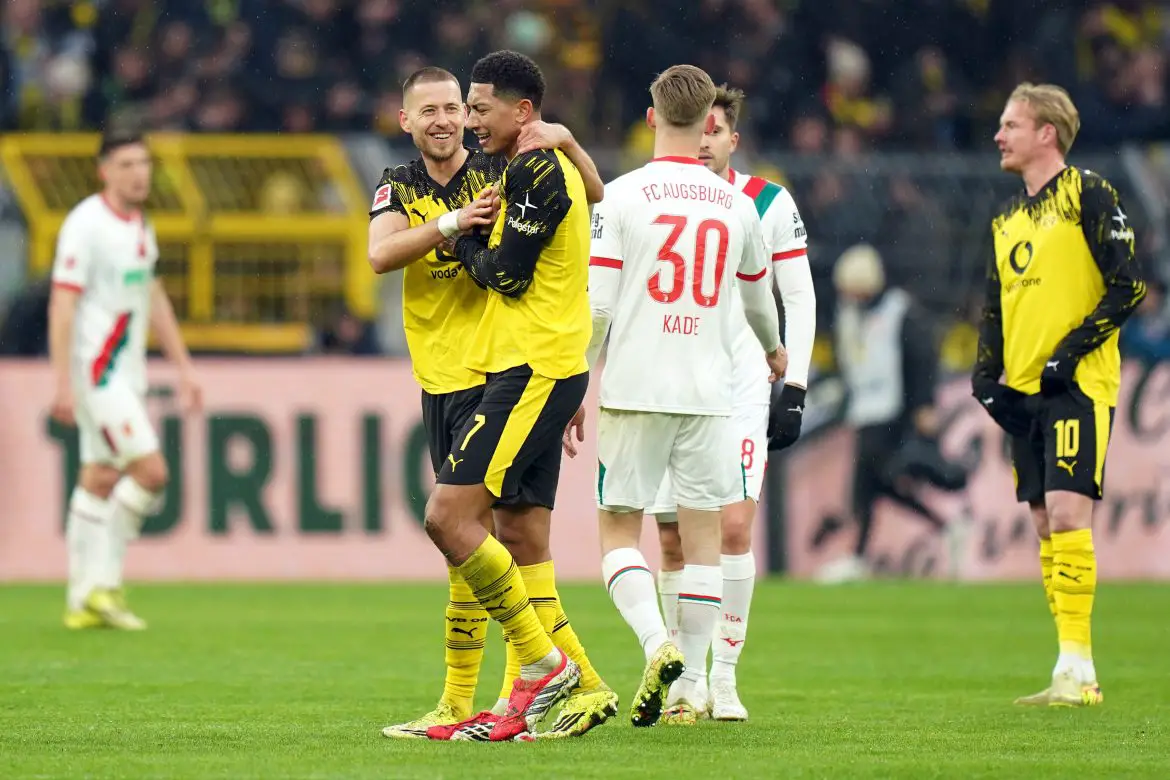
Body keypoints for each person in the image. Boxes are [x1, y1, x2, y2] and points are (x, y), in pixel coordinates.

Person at [367, 66, 614, 740]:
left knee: (483, 531)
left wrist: (564, 138)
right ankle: (569, 684)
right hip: (453, 373)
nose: (450, 120)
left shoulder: (499, 166)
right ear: (407, 121)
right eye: (433, 111)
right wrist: (452, 224)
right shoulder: (398, 183)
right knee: (495, 540)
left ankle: (505, 687)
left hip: (508, 372)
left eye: (458, 108)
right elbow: (380, 255)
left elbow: (589, 194)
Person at [579, 65, 787, 727]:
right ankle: (692, 686)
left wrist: (576, 377)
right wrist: (775, 348)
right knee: (703, 544)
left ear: (650, 120)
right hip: (708, 393)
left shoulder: (618, 198)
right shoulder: (736, 204)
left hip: (636, 387)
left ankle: (655, 642)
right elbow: (758, 295)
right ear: (707, 126)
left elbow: (600, 308)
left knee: (619, 531)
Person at [973, 83, 1145, 707]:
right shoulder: (1004, 219)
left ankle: (1079, 667)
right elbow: (994, 305)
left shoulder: (1089, 193)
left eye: (1011, 124)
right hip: (1023, 392)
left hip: (1075, 385)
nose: (999, 135)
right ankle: (1071, 669)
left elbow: (1128, 286)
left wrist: (1068, 354)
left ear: (1047, 133)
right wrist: (983, 376)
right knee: (1047, 524)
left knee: (1070, 515)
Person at [647, 84, 816, 722]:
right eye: (699, 129)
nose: (705, 140)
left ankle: (723, 674)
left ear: (731, 139)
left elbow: (796, 297)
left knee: (732, 527)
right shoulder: (657, 194)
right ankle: (680, 676)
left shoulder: (768, 202)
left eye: (716, 131)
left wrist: (793, 384)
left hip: (742, 382)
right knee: (670, 541)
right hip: (668, 381)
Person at [48, 129, 203, 630]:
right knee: (152, 473)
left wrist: (183, 367)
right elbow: (63, 305)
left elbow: (154, 298)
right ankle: (104, 584)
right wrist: (62, 385)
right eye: (128, 164)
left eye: (144, 163)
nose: (140, 173)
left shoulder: (140, 224)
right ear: (105, 171)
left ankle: (81, 599)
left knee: (97, 478)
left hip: (125, 375)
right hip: (97, 374)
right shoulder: (85, 224)